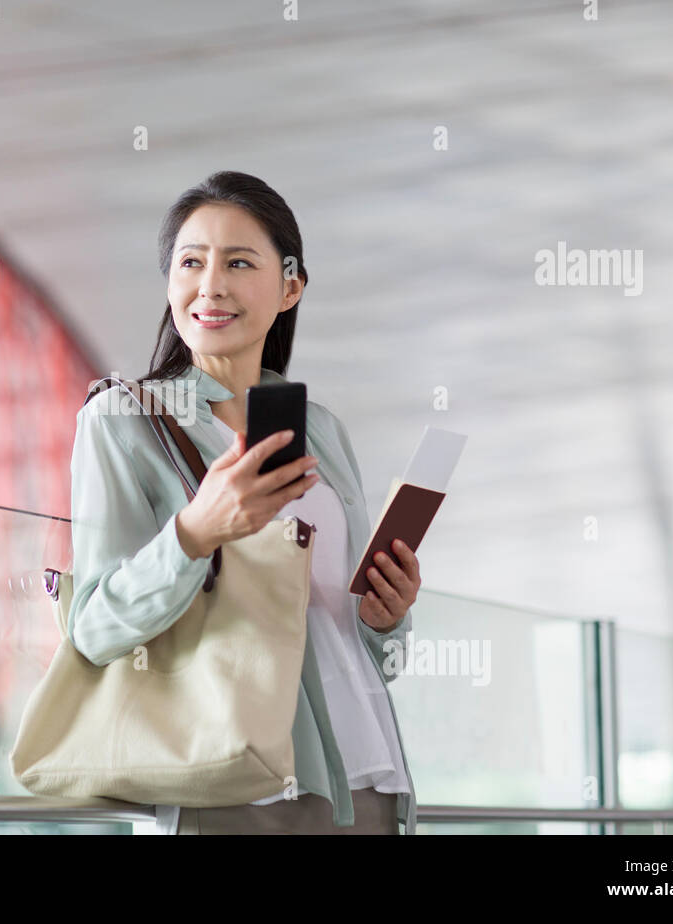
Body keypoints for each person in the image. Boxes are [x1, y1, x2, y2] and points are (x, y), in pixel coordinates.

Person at [66, 171, 421, 834]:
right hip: (234, 790)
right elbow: (93, 628)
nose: (211, 285)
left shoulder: (320, 428)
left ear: (291, 286)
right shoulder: (121, 420)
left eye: (238, 262)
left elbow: (359, 645)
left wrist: (386, 619)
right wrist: (196, 532)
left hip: (366, 780)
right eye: (191, 263)